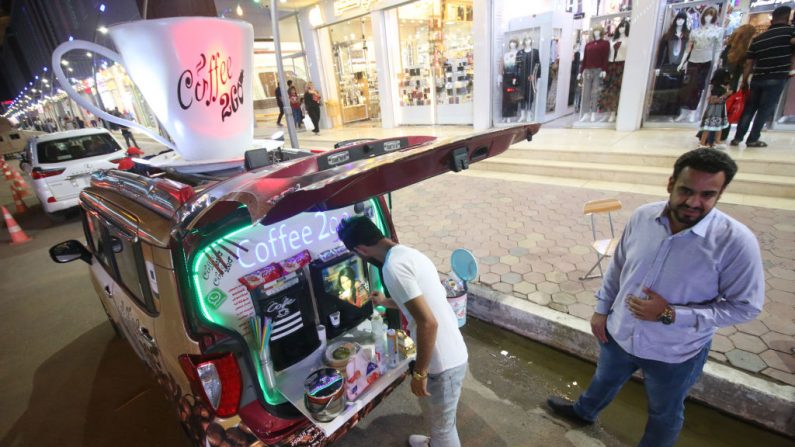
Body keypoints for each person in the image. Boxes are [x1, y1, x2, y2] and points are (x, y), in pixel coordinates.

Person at [546, 148, 765, 447]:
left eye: (707, 195)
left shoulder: (736, 242)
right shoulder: (643, 217)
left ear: (720, 193)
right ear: (670, 183)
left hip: (676, 352)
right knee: (603, 380)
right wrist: (601, 310)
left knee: (665, 412)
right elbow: (619, 266)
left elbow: (746, 307)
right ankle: (583, 412)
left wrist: (672, 314)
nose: (693, 202)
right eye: (685, 190)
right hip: (620, 334)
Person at [337, 216, 468, 447]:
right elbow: (421, 300)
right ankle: (435, 442)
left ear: (360, 249)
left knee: (444, 428)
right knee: (440, 418)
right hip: (453, 353)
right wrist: (386, 301)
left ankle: (440, 440)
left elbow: (428, 323)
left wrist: (420, 373)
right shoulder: (408, 253)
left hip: (442, 363)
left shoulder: (392, 268)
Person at [730, 5, 795, 147]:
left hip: (758, 78)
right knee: (764, 110)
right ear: (787, 17)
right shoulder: (789, 33)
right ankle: (752, 139)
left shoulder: (759, 39)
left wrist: (745, 80)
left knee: (749, 108)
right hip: (776, 76)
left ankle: (737, 138)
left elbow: (749, 63)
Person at [697, 68, 732, 148]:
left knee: (718, 126)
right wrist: (725, 95)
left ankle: (717, 141)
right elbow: (712, 100)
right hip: (714, 110)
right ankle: (702, 143)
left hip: (719, 109)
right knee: (708, 126)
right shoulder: (717, 89)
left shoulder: (719, 87)